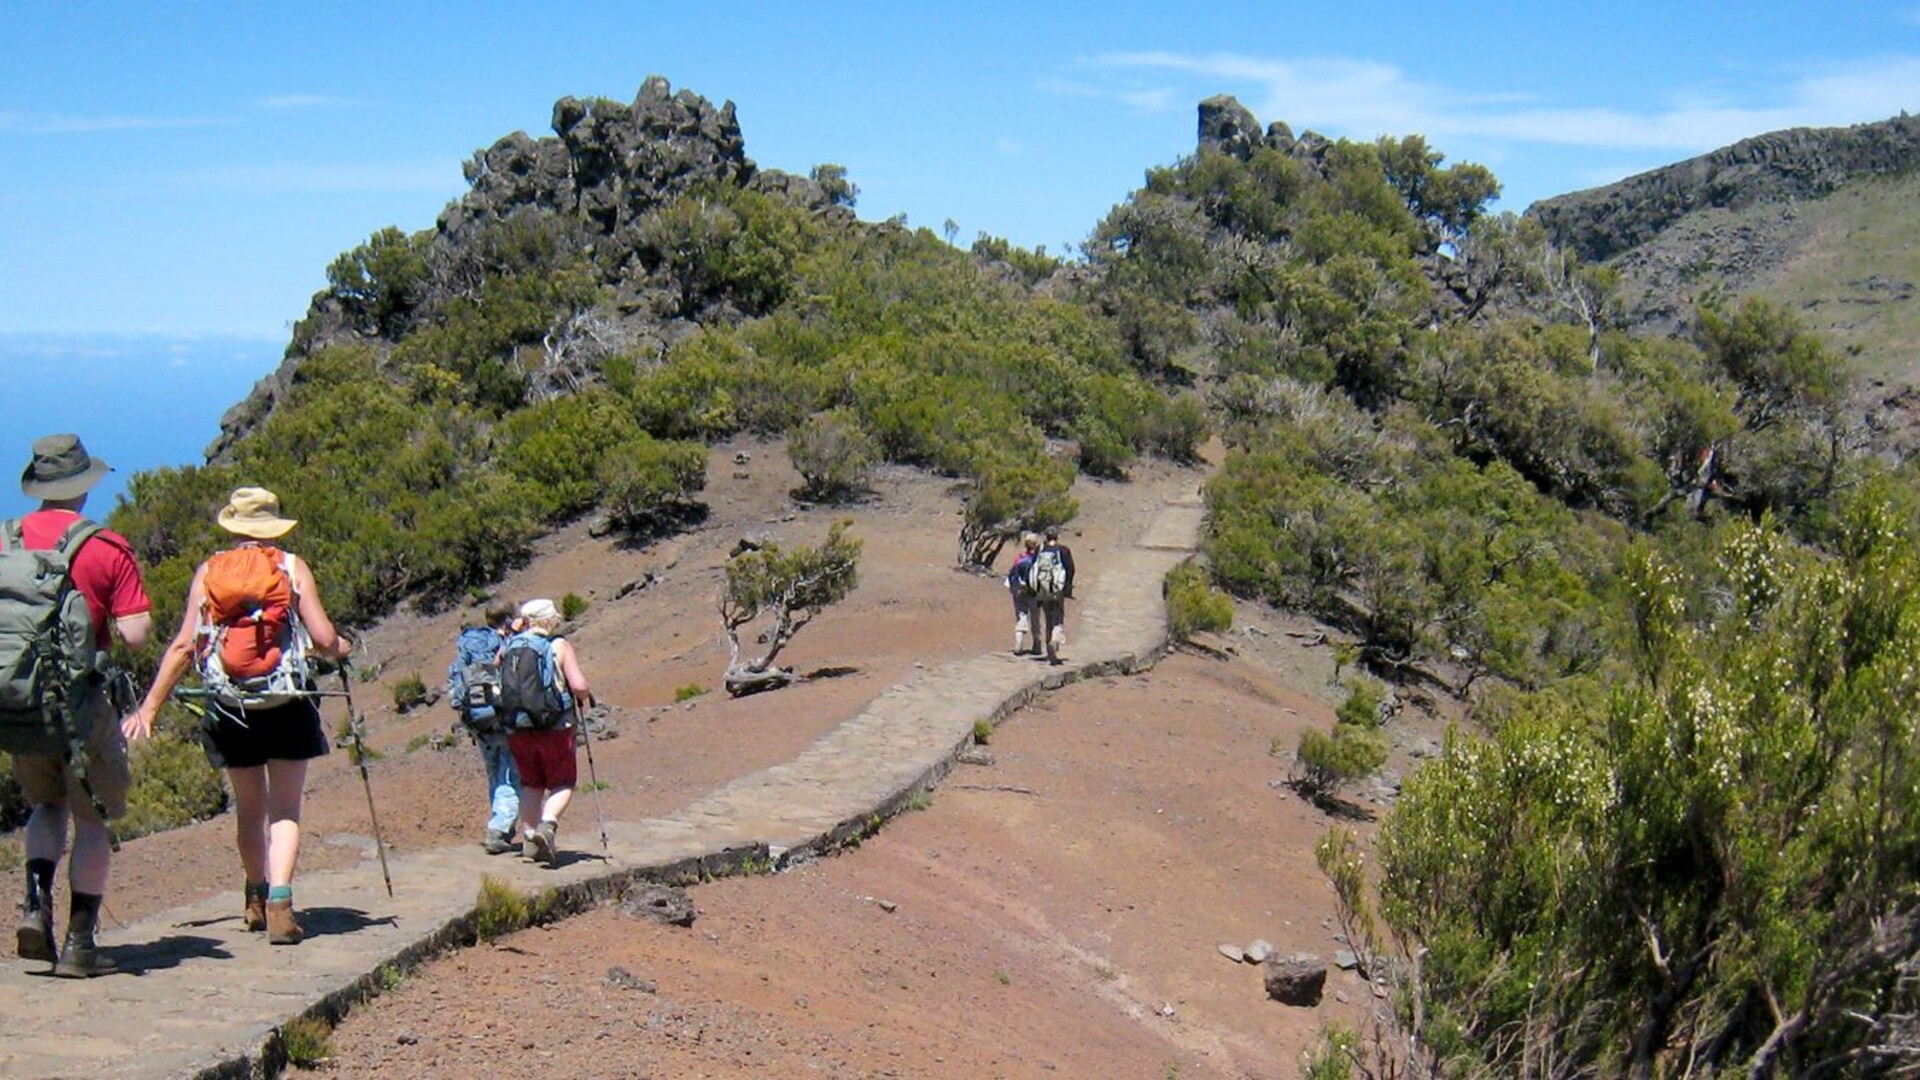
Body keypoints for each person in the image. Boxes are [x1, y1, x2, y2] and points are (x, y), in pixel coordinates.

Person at [129, 487, 352, 946]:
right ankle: (281, 904)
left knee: (249, 810)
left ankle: (254, 896)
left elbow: (185, 646)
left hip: (230, 707)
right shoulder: (291, 568)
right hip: (285, 702)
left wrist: (149, 707)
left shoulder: (210, 572)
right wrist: (341, 649)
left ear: (234, 527)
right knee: (285, 809)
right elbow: (324, 637)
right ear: (273, 526)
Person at [9, 434, 152, 977]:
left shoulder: (8, 540)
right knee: (92, 820)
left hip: (23, 703)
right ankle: (80, 944)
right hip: (83, 701)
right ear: (84, 487)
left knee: (46, 807)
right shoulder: (106, 547)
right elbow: (135, 635)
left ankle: (33, 905)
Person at [505, 598, 594, 867]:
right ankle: (548, 826)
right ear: (550, 619)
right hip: (554, 726)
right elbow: (578, 685)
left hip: (518, 726)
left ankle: (530, 841)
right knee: (562, 781)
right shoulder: (558, 645)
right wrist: (584, 694)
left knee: (531, 783)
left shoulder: (510, 647)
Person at [448, 601, 520, 854]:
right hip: (502, 716)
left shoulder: (469, 644)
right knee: (512, 773)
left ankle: (499, 823)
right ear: (510, 618)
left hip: (475, 717)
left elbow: (455, 678)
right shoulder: (507, 643)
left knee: (494, 771)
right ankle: (499, 829)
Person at [1033, 524, 1077, 666]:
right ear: (1057, 536)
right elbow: (1070, 569)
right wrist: (1068, 589)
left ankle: (1049, 650)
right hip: (1057, 589)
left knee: (1047, 618)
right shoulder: (1063, 550)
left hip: (1042, 589)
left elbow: (1033, 569)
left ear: (1046, 536)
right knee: (1057, 618)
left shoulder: (1040, 550)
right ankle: (1055, 640)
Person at [1006, 533, 1041, 655]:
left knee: (1021, 616)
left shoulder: (1019, 558)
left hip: (1019, 592)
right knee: (1035, 618)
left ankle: (1018, 644)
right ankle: (1037, 644)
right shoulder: (1037, 560)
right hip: (1034, 593)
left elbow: (1012, 574)